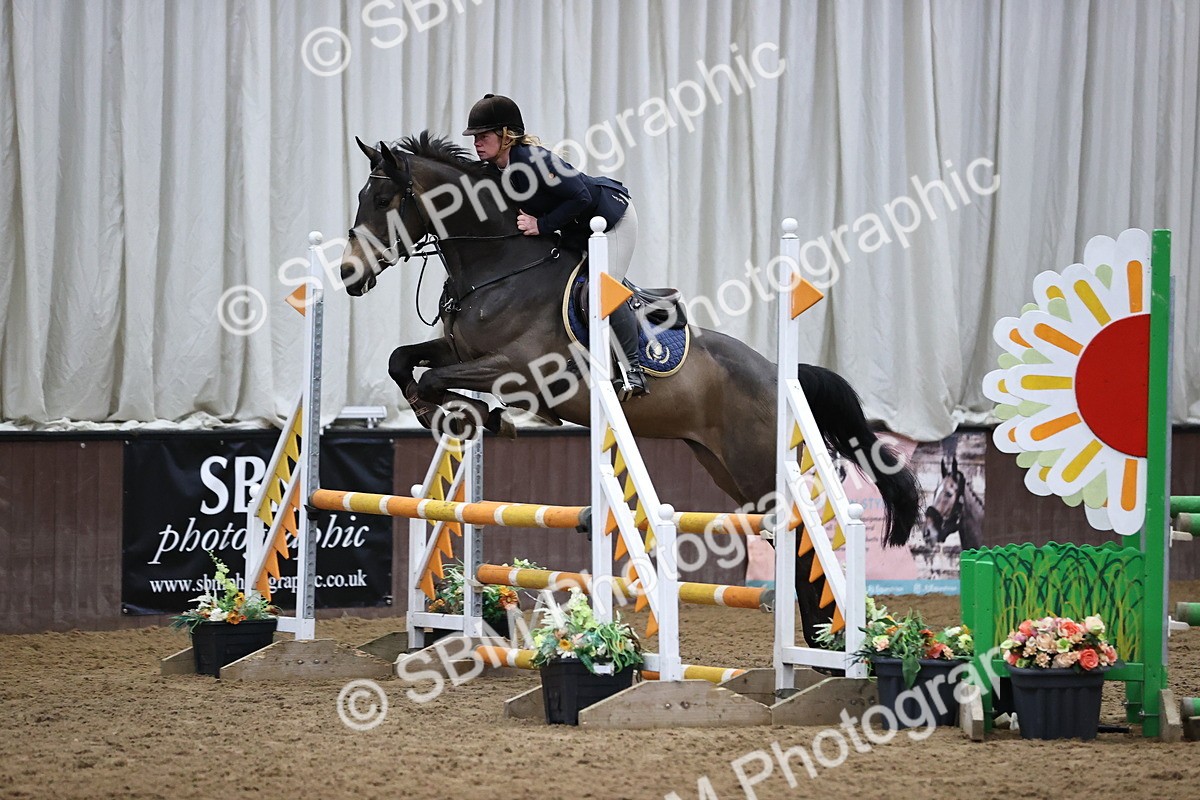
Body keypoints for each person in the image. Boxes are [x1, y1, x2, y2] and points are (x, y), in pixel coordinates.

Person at [462, 93, 648, 400]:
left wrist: (542, 226)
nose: (476, 143)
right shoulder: (498, 168)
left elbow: (581, 198)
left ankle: (634, 370)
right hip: (579, 229)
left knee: (601, 290)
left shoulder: (536, 161)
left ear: (505, 135)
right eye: (475, 137)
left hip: (612, 220)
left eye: (483, 136)